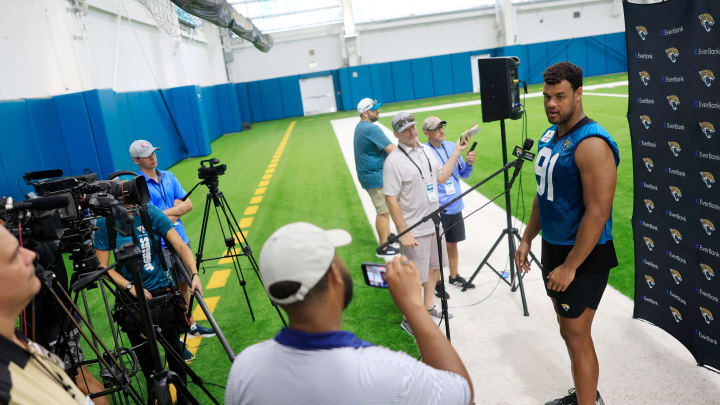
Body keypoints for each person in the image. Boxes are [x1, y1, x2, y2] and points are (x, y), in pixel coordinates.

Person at [225, 222, 473, 405]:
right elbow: (463, 393)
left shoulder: (244, 367)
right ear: (334, 275)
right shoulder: (384, 370)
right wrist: (414, 306)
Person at [515, 62, 618, 405]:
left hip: (584, 254)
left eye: (560, 96)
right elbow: (544, 194)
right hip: (554, 248)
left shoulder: (590, 143)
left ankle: (589, 401)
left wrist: (570, 266)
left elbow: (598, 211)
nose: (551, 104)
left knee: (576, 333)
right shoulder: (550, 135)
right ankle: (586, 394)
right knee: (569, 331)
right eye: (546, 97)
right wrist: (528, 236)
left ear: (578, 93)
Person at [93, 203, 205, 400]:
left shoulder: (148, 212)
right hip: (132, 304)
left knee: (176, 354)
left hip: (165, 296)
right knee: (148, 364)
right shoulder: (106, 222)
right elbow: (103, 268)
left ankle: (183, 397)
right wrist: (131, 287)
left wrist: (194, 274)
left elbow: (180, 246)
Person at [130, 140, 216, 361]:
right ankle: (176, 339)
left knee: (184, 284)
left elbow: (189, 205)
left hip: (180, 240)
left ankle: (191, 325)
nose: (152, 157)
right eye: (147, 155)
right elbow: (148, 218)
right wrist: (175, 210)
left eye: (153, 152)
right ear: (136, 160)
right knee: (169, 292)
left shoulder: (169, 176)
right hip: (160, 245)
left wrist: (166, 213)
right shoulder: (137, 185)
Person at [383, 112, 470, 332]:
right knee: (414, 278)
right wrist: (403, 232)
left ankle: (429, 305)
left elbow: (441, 177)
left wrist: (457, 152)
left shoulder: (425, 151)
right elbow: (390, 199)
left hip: (434, 223)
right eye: (406, 130)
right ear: (396, 134)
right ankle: (409, 318)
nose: (412, 132)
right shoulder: (393, 162)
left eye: (413, 127)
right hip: (414, 228)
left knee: (434, 269)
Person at [0, 226, 91, 404]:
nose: (30, 255)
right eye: (13, 255)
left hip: (56, 321)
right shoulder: (7, 385)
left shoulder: (24, 346)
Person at [422, 116, 477, 292]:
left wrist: (468, 164)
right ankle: (437, 283)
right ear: (426, 133)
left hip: (455, 205)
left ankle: (454, 276)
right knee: (437, 249)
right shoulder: (425, 152)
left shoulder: (452, 146)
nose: (442, 130)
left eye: (442, 126)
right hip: (438, 208)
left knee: (452, 243)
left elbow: (464, 174)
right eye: (437, 128)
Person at [352, 98, 398, 257]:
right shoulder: (371, 129)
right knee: (383, 211)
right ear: (365, 113)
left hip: (370, 175)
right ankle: (383, 247)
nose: (378, 111)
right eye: (374, 109)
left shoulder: (361, 127)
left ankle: (388, 235)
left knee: (385, 209)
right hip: (375, 176)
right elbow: (392, 150)